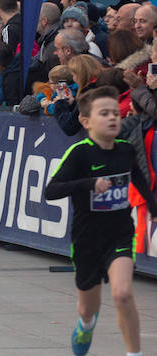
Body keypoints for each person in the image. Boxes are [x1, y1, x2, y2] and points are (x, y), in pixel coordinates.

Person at [44, 86, 157, 356]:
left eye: (115, 113)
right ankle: (85, 324)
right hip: (87, 240)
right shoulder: (79, 154)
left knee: (122, 294)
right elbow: (51, 191)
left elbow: (138, 177)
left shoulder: (126, 150)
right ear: (86, 122)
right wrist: (89, 184)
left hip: (119, 234)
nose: (112, 118)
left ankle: (134, 354)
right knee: (88, 307)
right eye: (104, 113)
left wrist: (153, 207)